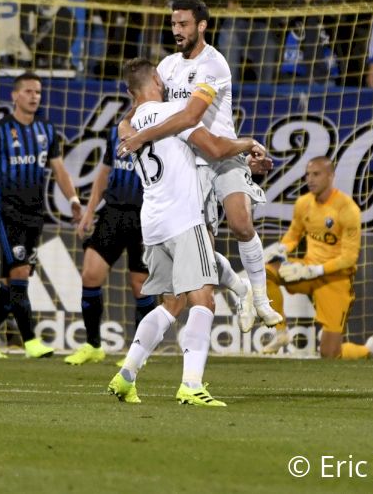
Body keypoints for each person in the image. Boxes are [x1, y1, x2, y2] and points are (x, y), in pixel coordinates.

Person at [107, 57, 268, 407]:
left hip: (151, 223)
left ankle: (126, 375)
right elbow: (215, 148)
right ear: (155, 80)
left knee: (169, 304)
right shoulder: (174, 112)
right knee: (204, 299)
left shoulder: (127, 124)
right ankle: (191, 384)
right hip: (183, 219)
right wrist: (247, 143)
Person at [117, 0, 284, 333]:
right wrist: (127, 132)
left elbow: (191, 117)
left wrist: (141, 137)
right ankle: (243, 292)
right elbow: (134, 112)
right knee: (202, 249)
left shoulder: (214, 65)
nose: (177, 31)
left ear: (202, 26)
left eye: (184, 24)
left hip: (221, 152)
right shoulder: (165, 67)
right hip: (191, 164)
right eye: (174, 24)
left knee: (239, 221)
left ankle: (263, 300)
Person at [0, 72, 83, 359]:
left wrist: (74, 200)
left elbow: (60, 170)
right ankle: (30, 341)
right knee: (19, 274)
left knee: (13, 280)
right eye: (28, 91)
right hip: (7, 212)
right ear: (15, 96)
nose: (34, 96)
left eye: (37, 92)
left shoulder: (47, 130)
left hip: (35, 213)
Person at [262, 156, 373, 359]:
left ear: (331, 176)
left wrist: (316, 270)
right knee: (265, 272)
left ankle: (366, 351)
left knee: (329, 354)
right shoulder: (303, 203)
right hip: (307, 269)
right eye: (308, 174)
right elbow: (294, 234)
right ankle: (281, 333)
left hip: (336, 279)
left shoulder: (348, 209)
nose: (310, 179)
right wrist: (281, 248)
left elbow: (350, 258)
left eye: (316, 174)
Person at [65, 123, 150, 365]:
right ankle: (93, 345)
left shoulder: (162, 124)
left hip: (145, 214)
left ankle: (138, 353)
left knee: (141, 284)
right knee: (91, 274)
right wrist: (89, 211)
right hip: (113, 212)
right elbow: (105, 171)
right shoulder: (117, 129)